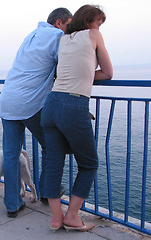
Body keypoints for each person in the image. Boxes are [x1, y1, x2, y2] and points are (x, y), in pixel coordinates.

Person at [41, 5, 113, 232]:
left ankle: (55, 218)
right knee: (89, 164)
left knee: (53, 164)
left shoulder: (63, 39)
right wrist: (87, 77)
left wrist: (81, 74)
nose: (99, 27)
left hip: (51, 105)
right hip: (74, 104)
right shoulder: (94, 35)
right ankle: (72, 216)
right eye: (98, 22)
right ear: (90, 21)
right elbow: (109, 73)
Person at [0, 8, 72, 218]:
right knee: (53, 145)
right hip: (30, 103)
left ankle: (12, 204)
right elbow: (66, 66)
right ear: (59, 23)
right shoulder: (58, 36)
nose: (70, 31)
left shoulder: (31, 35)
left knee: (11, 155)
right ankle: (49, 193)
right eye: (69, 26)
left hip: (8, 100)